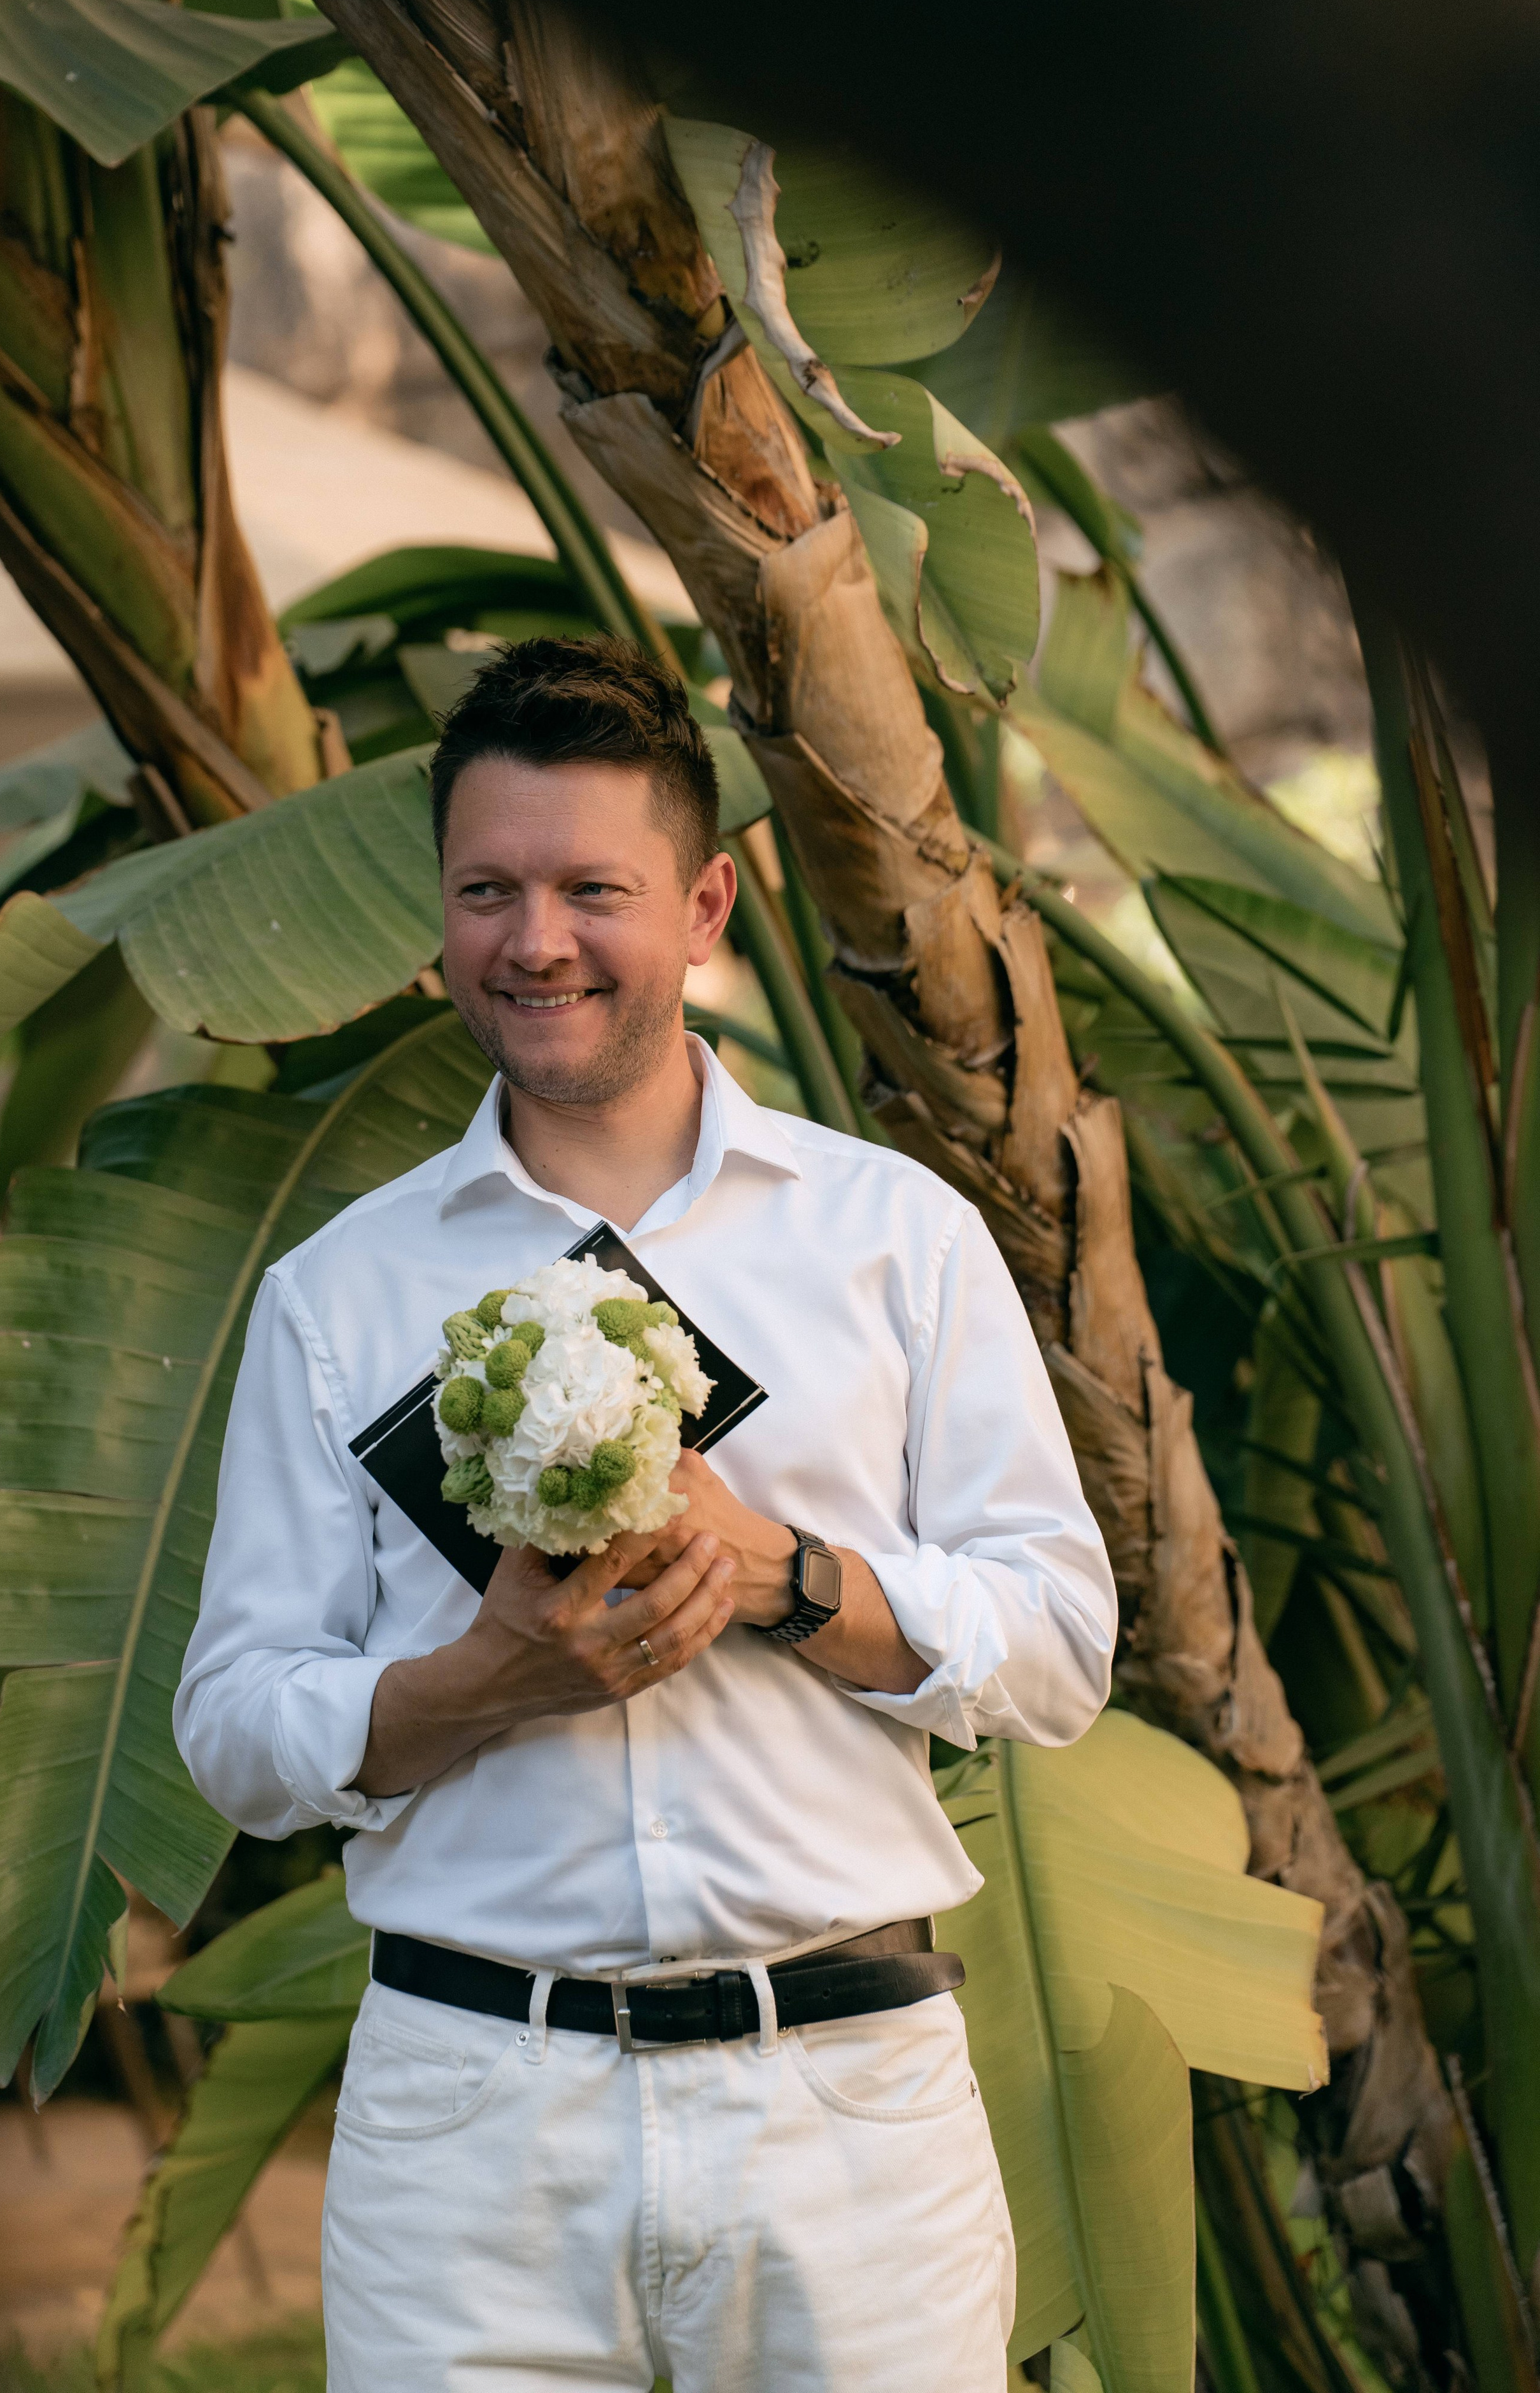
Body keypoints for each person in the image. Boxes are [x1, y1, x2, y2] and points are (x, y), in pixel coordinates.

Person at [175, 636, 1116, 2393]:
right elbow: (231, 1731)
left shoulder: (891, 1237)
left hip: (844, 2103)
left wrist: (788, 1578)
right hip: (473, 2128)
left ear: (702, 908)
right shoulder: (338, 1290)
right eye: (488, 891)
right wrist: (491, 1681)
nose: (535, 941)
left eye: (590, 889)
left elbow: (1061, 1644)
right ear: (442, 915)